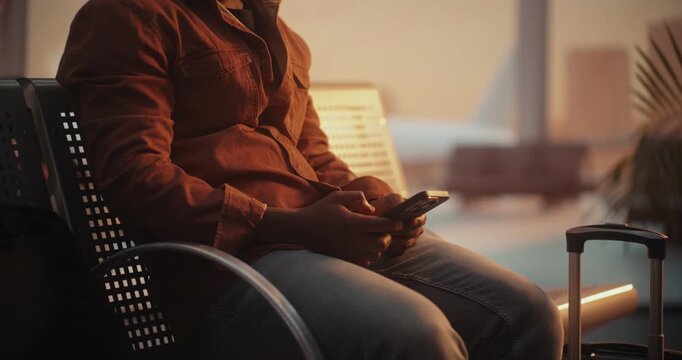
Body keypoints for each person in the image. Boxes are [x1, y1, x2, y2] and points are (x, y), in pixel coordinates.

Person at [57, 0, 563, 358]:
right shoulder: (130, 17)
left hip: (319, 247)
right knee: (415, 336)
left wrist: (373, 202)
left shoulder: (283, 38)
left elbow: (314, 156)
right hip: (229, 267)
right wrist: (292, 226)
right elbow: (136, 178)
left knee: (528, 312)